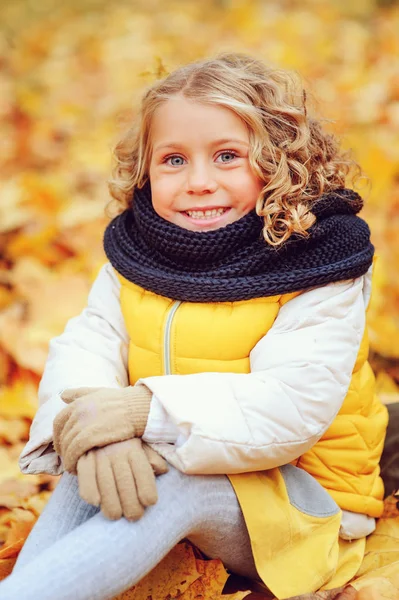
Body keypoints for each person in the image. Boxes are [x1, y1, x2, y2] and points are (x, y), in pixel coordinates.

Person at [0, 52, 390, 600]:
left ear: (279, 164)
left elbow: (291, 406)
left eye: (228, 156)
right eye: (173, 160)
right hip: (179, 448)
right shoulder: (139, 252)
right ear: (145, 170)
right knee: (93, 458)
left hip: (307, 502)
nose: (199, 182)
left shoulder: (319, 262)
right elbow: (89, 341)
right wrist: (95, 428)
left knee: (170, 483)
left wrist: (145, 414)